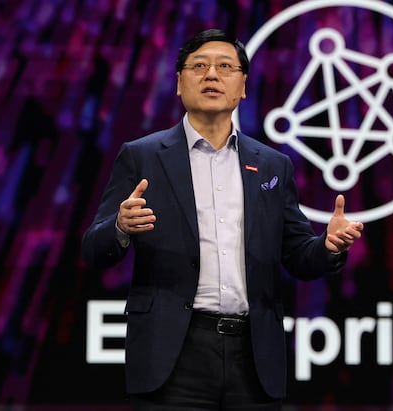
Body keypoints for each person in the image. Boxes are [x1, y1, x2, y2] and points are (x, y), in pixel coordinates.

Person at [81, 28, 364, 410]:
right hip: (172, 356)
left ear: (243, 86)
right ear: (179, 82)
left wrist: (328, 246)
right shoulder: (142, 156)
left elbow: (298, 256)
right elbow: (93, 250)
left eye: (225, 66)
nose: (212, 74)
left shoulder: (272, 165)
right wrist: (119, 226)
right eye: (199, 66)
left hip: (254, 357)